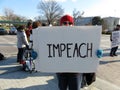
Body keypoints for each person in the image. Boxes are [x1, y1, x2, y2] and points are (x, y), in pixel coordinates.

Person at [56, 15, 82, 90]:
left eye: (70, 23)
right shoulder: (54, 37)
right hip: (61, 71)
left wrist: (95, 53)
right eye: (65, 23)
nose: (68, 25)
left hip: (75, 71)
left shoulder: (80, 36)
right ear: (61, 24)